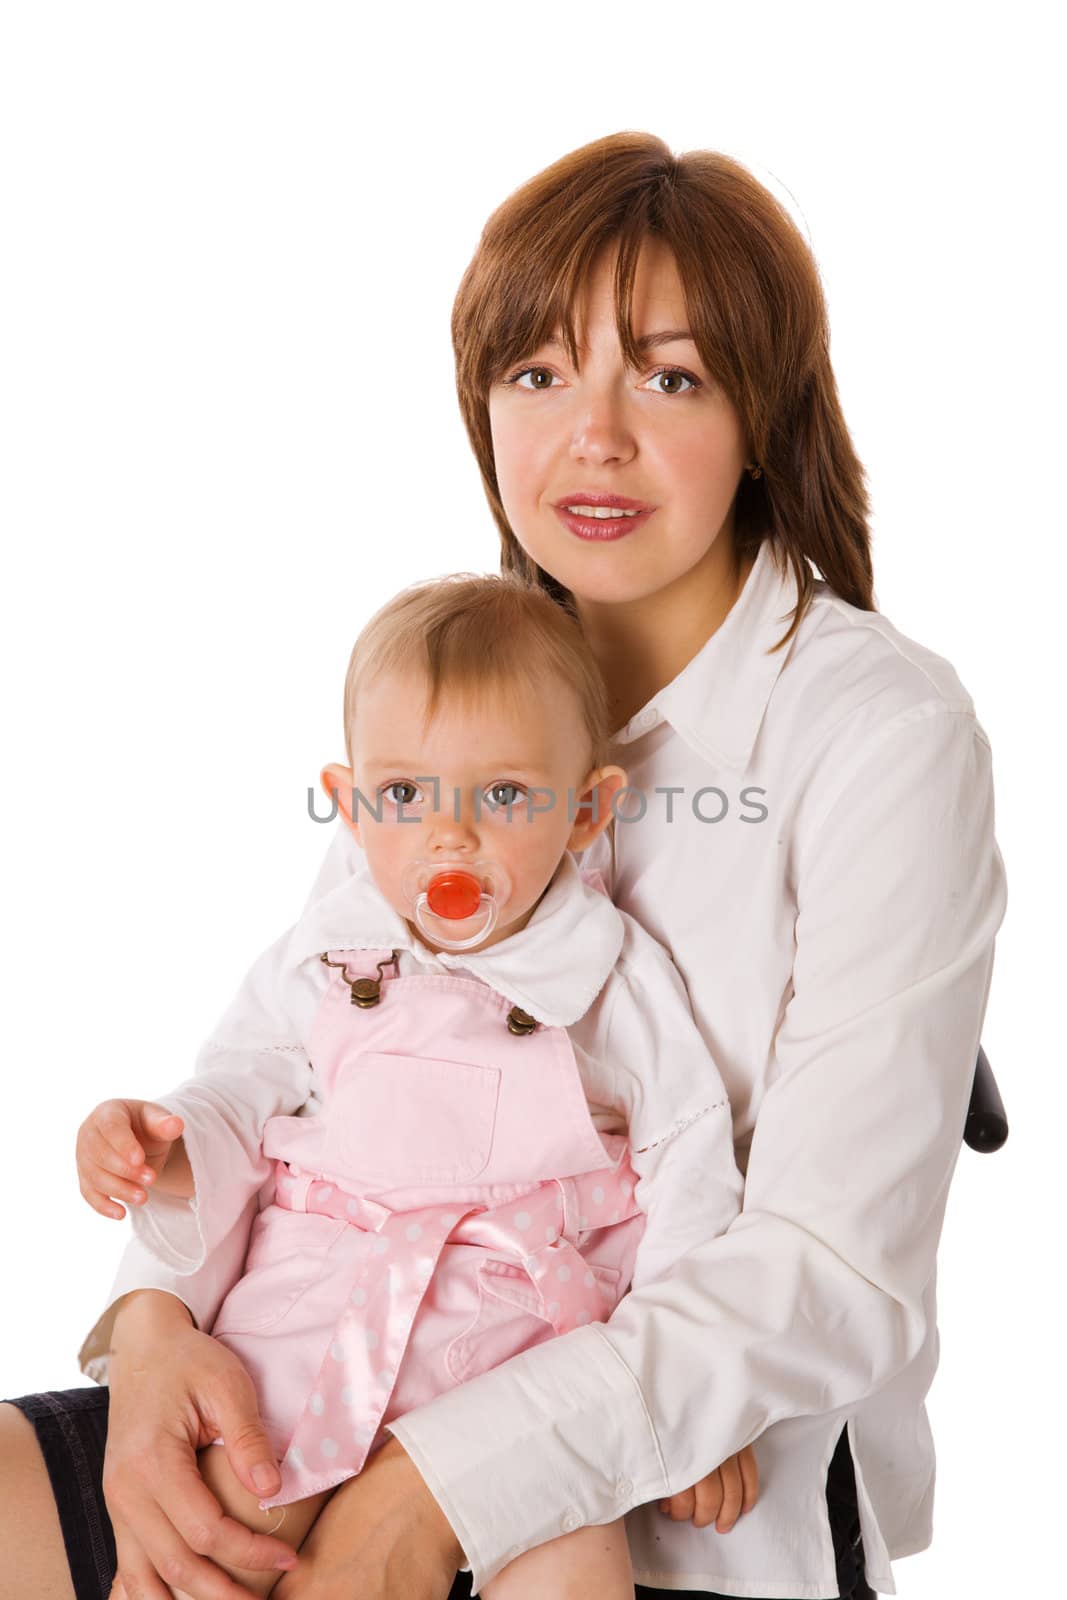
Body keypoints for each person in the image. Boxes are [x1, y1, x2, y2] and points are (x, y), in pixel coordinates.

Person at [1, 131, 1007, 1600]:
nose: (588, 436)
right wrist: (153, 1326)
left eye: (667, 377)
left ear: (759, 409)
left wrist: (430, 1493)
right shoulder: (458, 692)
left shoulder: (877, 734)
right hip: (322, 1381)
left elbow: (830, 1273)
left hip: (664, 1502)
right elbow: (286, 1052)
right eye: (536, 375)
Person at [70, 573, 759, 1600]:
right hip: (314, 1325)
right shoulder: (329, 952)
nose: (449, 836)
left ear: (583, 812)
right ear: (349, 809)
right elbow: (243, 1086)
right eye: (404, 797)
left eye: (502, 796)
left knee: (575, 1568)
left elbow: (690, 1169)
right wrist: (169, 1148)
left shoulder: (609, 979)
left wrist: (699, 1403)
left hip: (524, 1357)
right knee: (224, 1522)